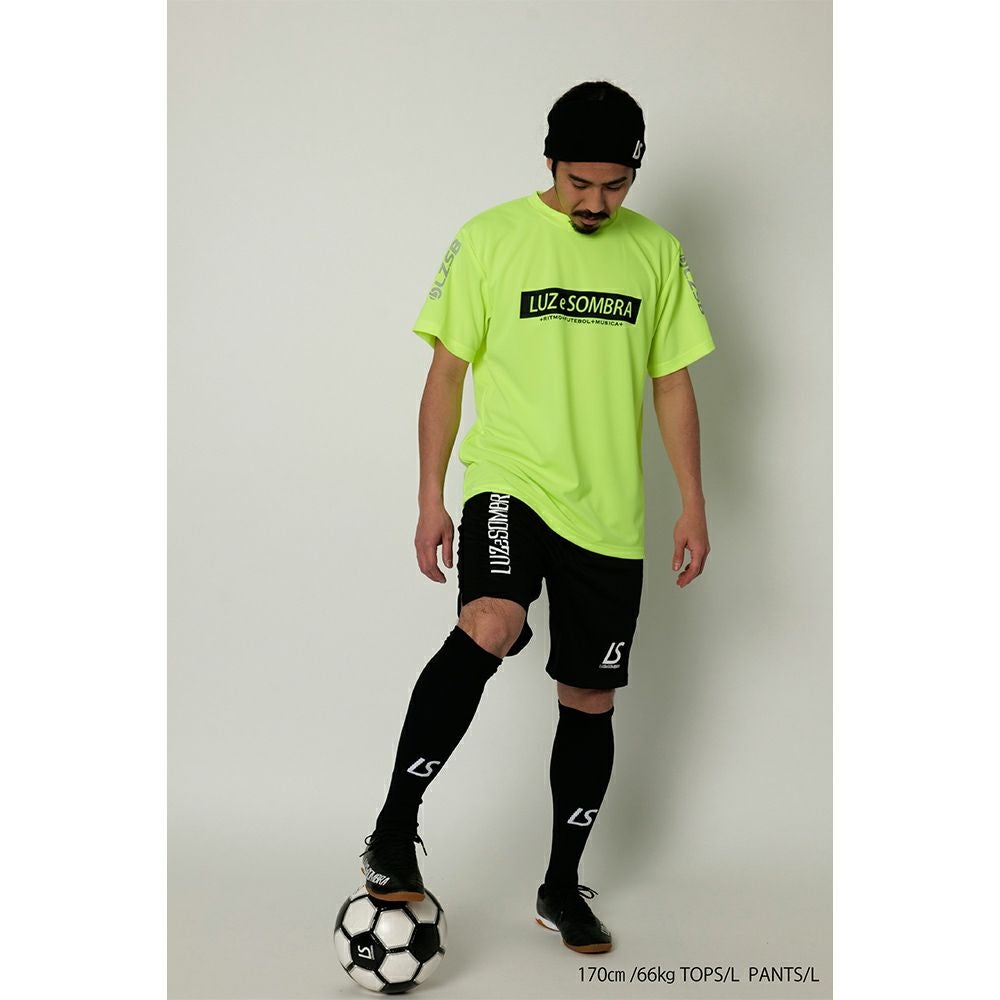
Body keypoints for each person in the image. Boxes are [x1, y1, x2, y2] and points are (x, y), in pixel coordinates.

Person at [359, 80, 715, 955]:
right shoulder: (490, 239)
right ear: (549, 162)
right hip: (510, 480)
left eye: (615, 185)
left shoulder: (656, 253)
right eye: (578, 182)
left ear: (634, 174)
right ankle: (393, 831)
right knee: (490, 619)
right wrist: (430, 495)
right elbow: (447, 374)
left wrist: (694, 502)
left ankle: (560, 887)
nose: (595, 202)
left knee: (589, 695)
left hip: (609, 510)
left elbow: (672, 382)